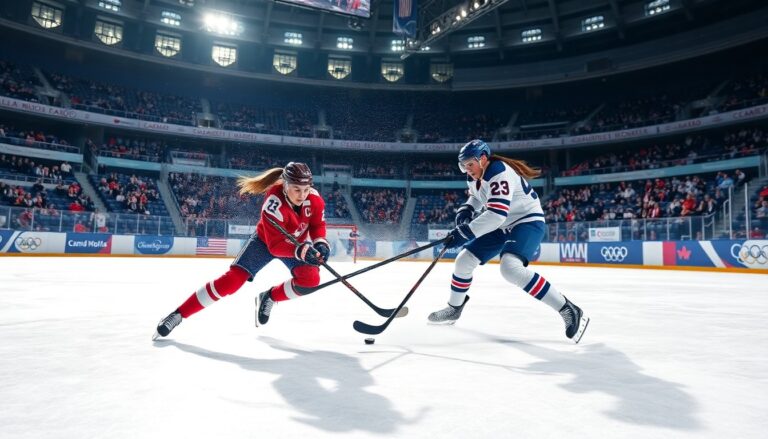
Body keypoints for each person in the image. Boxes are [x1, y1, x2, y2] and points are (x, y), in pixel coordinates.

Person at [428, 139, 589, 343]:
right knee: (463, 261)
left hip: (526, 220)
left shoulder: (498, 171)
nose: (467, 169)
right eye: (464, 165)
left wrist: (465, 233)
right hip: (503, 224)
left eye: (470, 164)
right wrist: (467, 209)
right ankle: (454, 308)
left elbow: (496, 214)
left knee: (510, 268)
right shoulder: (475, 175)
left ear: (483, 159)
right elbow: (478, 196)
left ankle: (568, 308)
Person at [153, 162, 331, 339]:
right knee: (232, 281)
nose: (302, 195)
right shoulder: (273, 203)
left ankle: (268, 297)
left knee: (311, 280)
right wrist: (300, 250)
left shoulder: (314, 199)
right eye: (296, 189)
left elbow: (317, 224)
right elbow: (275, 247)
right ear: (285, 184)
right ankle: (177, 314)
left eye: (306, 189)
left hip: (297, 245)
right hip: (265, 242)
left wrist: (320, 243)